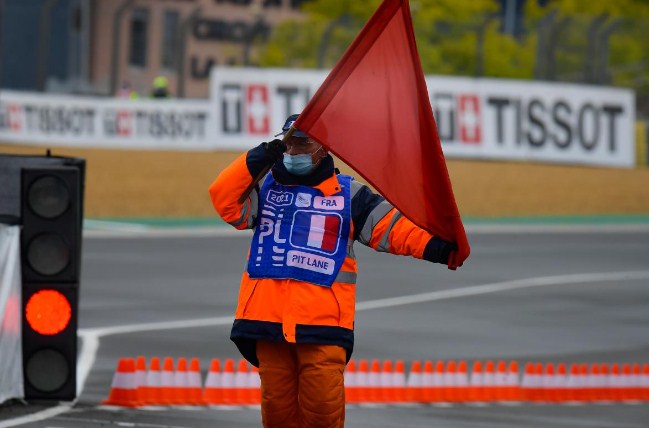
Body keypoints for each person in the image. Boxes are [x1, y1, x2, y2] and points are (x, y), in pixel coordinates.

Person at [208, 114, 458, 427]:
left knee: (323, 414)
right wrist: (262, 153)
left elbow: (395, 228)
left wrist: (440, 248)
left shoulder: (350, 195)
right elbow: (223, 198)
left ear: (323, 148)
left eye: (303, 143)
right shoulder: (264, 188)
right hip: (267, 323)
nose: (294, 150)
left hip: (323, 326)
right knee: (277, 416)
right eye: (289, 142)